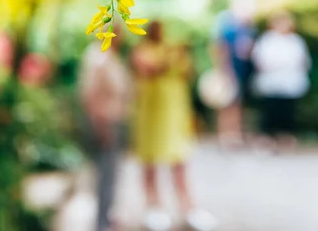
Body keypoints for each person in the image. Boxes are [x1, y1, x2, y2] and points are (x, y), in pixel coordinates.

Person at [132, 21, 216, 231]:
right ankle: (153, 206)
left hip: (174, 114)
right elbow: (149, 69)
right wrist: (171, 55)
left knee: (180, 161)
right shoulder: (143, 51)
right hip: (151, 114)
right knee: (150, 161)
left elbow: (188, 73)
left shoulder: (173, 50)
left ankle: (188, 208)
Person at [79, 22, 132, 231]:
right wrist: (100, 126)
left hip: (114, 120)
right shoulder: (98, 57)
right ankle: (101, 222)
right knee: (105, 174)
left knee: (112, 173)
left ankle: (107, 216)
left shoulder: (109, 56)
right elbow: (90, 95)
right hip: (105, 122)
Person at [251, 12, 311, 150]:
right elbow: (260, 60)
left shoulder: (296, 41)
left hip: (290, 82)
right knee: (270, 110)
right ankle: (266, 137)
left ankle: (286, 136)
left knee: (288, 110)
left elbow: (302, 61)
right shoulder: (267, 40)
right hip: (271, 81)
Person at [214, 0, 256, 146]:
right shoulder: (227, 27)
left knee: (238, 103)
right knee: (226, 102)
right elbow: (220, 48)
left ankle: (236, 133)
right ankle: (225, 134)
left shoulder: (247, 28)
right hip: (229, 69)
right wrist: (224, 69)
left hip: (242, 70)